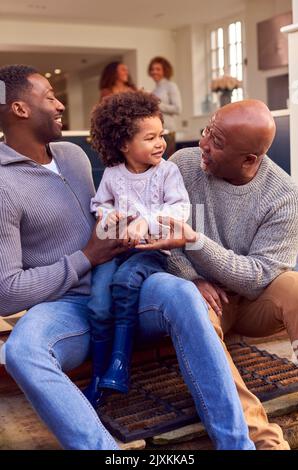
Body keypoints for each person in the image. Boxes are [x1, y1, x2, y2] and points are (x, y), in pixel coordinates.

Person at [0, 65, 256, 450]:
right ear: (19, 108)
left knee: (184, 296)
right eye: (49, 96)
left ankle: (237, 445)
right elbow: (6, 291)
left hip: (131, 283)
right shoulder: (3, 185)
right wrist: (86, 257)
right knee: (21, 350)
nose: (58, 104)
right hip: (67, 307)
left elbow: (139, 207)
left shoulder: (73, 156)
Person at [136, 99, 298, 450]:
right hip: (203, 300)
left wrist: (197, 242)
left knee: (296, 287)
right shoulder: (183, 165)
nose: (204, 144)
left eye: (218, 141)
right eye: (209, 130)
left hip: (254, 303)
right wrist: (190, 277)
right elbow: (164, 237)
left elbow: (260, 276)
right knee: (192, 304)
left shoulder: (284, 197)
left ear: (249, 160)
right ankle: (263, 440)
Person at [83, 90, 190, 407]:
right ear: (124, 144)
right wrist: (108, 214)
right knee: (98, 306)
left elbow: (180, 209)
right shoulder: (114, 175)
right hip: (115, 249)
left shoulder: (167, 172)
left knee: (125, 283)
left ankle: (120, 366)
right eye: (150, 138)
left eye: (162, 135)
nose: (160, 143)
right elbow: (99, 204)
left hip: (149, 250)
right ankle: (99, 377)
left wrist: (146, 222)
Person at [148, 56, 182, 158]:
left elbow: (177, 109)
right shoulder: (154, 90)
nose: (154, 72)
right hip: (156, 131)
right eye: (152, 69)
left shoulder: (171, 86)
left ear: (165, 71)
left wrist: (155, 103)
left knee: (168, 162)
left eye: (158, 69)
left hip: (168, 131)